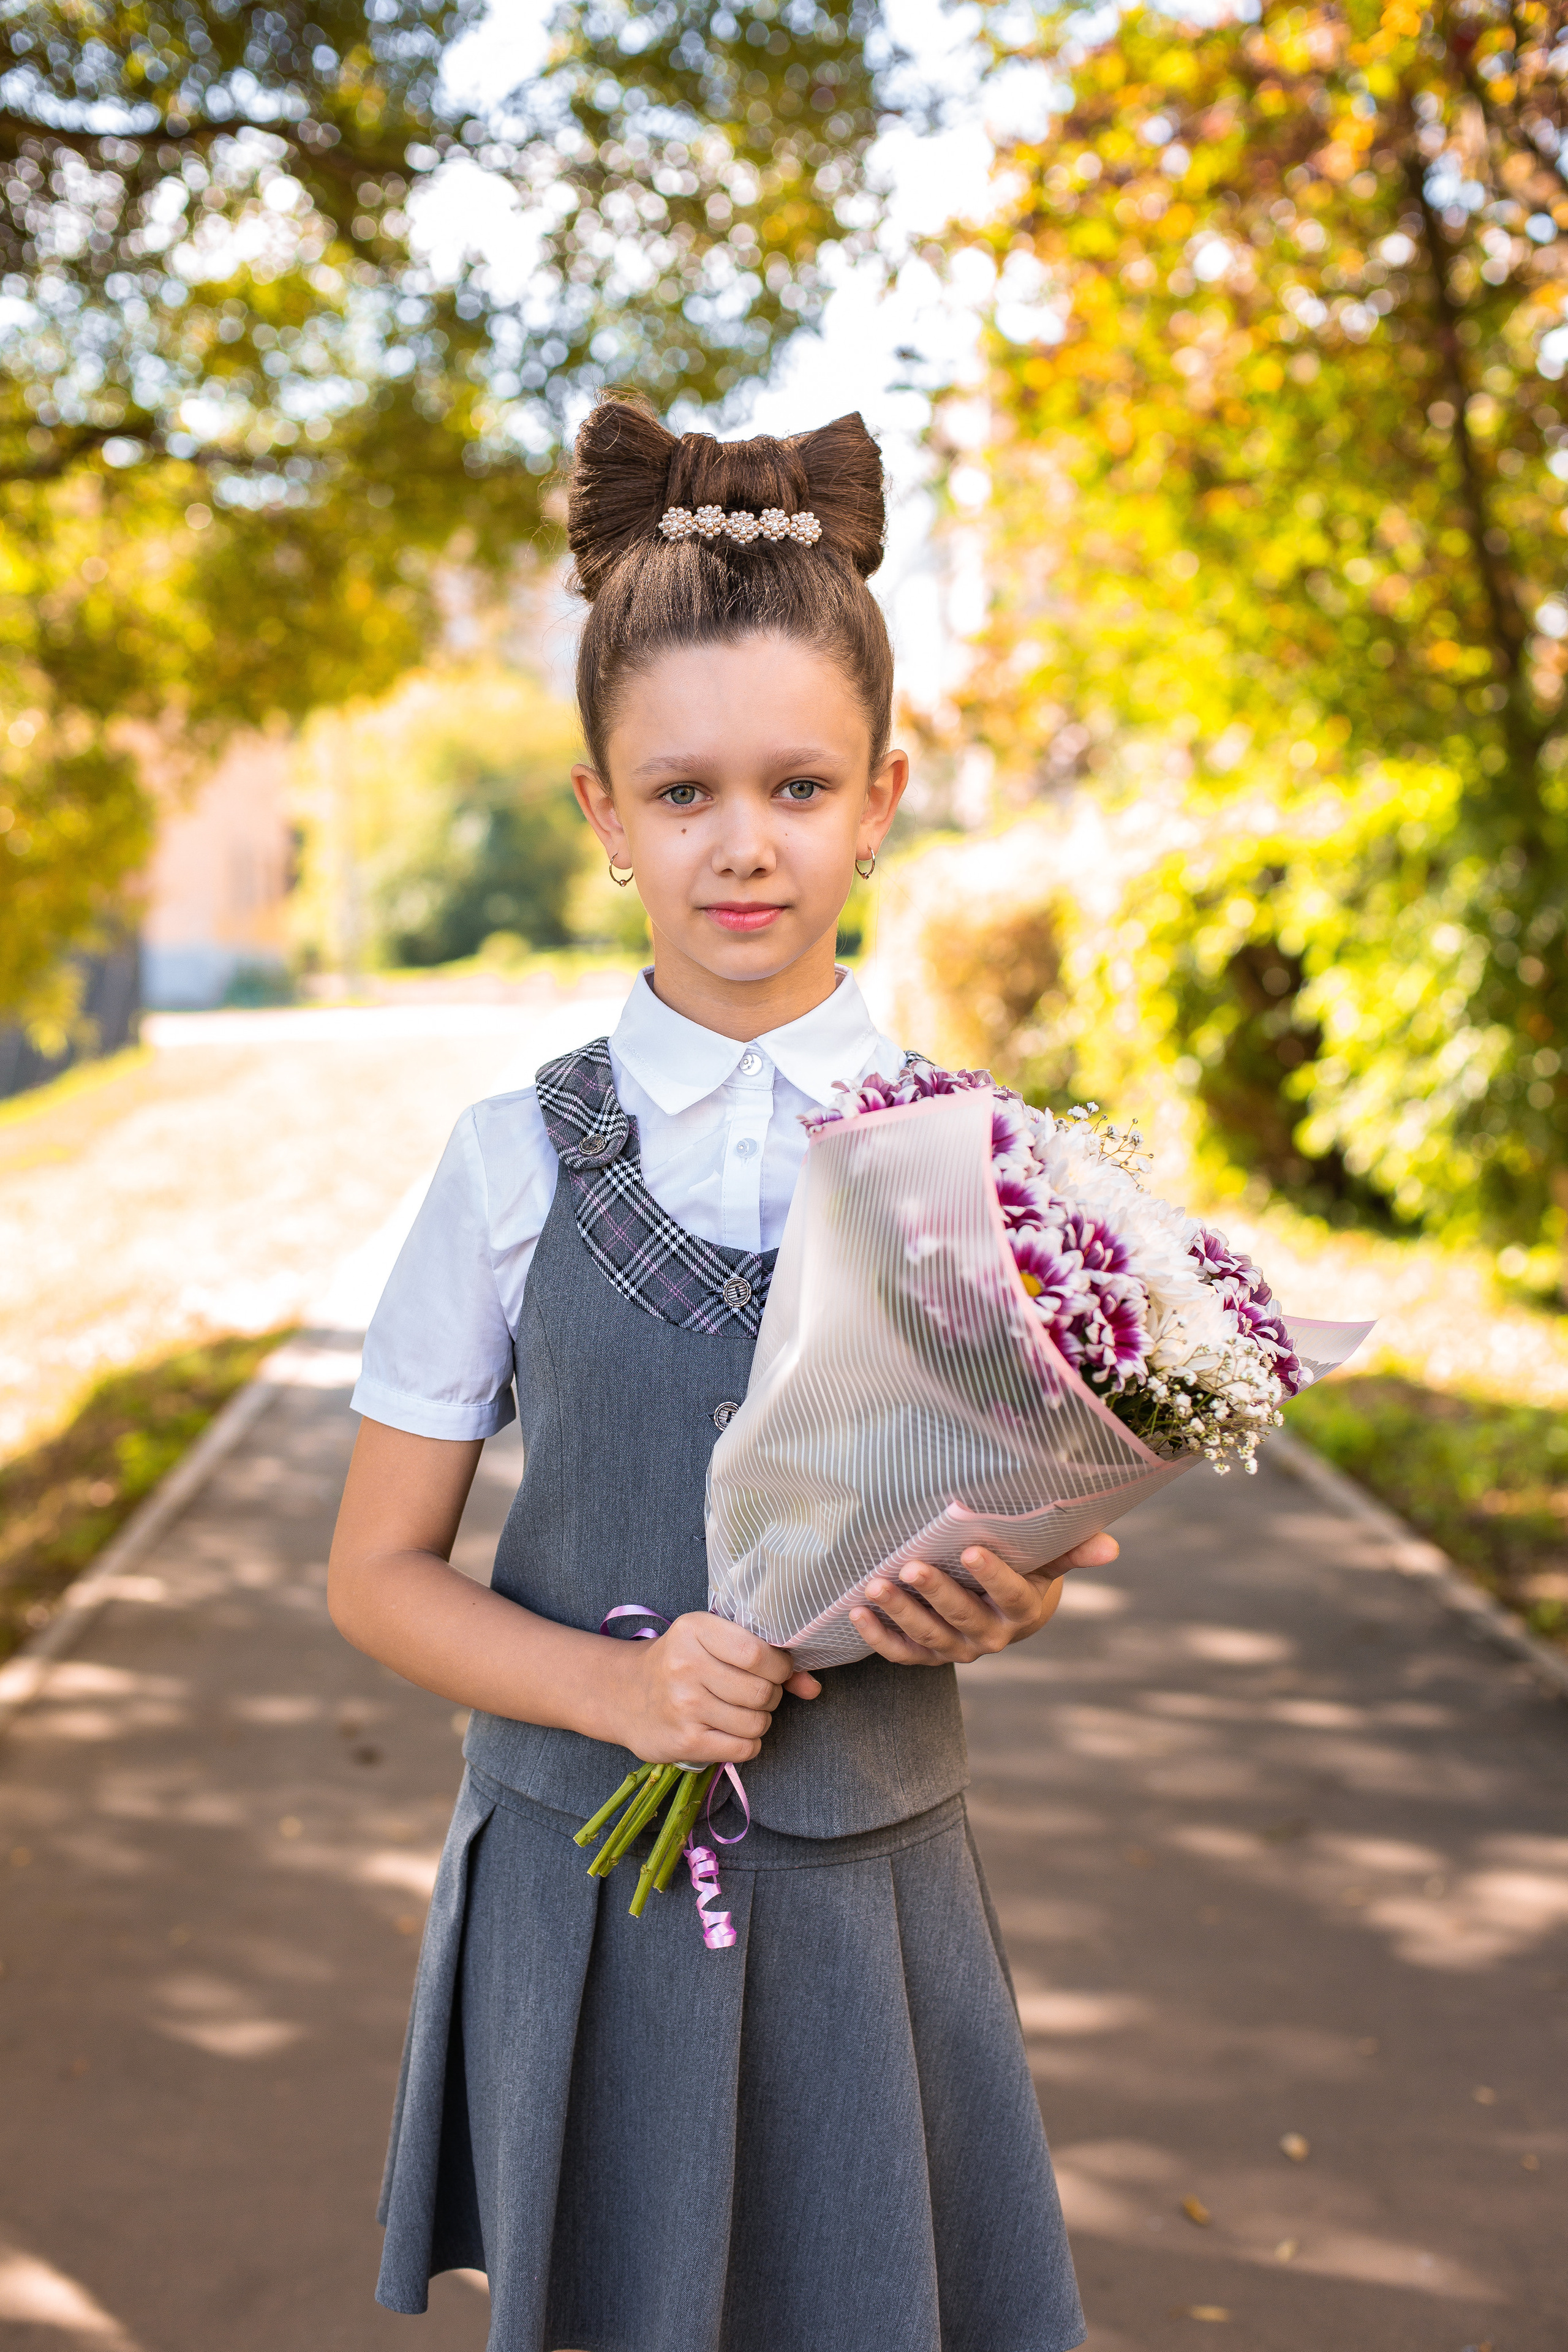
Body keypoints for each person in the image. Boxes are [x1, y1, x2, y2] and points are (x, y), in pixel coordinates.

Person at [327, 397, 1116, 2352]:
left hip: (871, 1899)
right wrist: (621, 1684)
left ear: (879, 799)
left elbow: (1036, 1499)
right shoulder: (512, 1162)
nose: (742, 843)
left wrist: (1006, 1598)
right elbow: (375, 1574)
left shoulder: (970, 1157)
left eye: (795, 786)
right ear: (602, 816)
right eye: (681, 795)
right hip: (579, 1910)